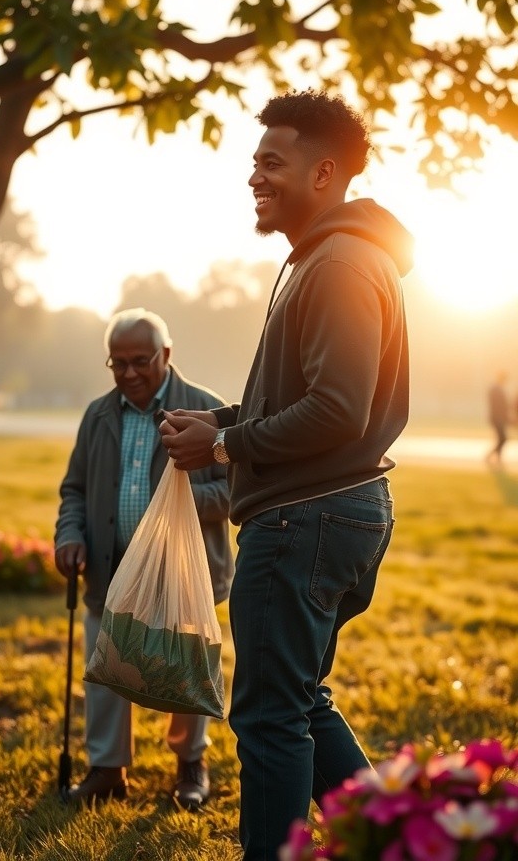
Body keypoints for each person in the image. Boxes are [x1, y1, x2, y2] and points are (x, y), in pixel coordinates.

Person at [159, 90, 414, 861]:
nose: (255, 176)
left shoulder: (339, 263)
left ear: (324, 172)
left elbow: (337, 411)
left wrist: (225, 445)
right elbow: (299, 398)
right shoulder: (326, 258)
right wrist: (218, 422)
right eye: (255, 162)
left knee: (271, 717)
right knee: (300, 700)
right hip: (329, 513)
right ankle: (396, 842)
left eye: (273, 162)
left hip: (306, 519)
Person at [54, 308, 234, 809]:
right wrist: (70, 534)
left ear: (166, 354)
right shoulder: (98, 415)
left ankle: (190, 763)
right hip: (109, 568)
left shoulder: (206, 409)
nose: (129, 373)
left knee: (185, 664)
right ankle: (107, 768)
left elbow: (237, 491)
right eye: (118, 363)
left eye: (141, 361)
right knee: (105, 662)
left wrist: (180, 503)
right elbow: (74, 489)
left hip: (182, 573)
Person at [485, 370, 510, 468]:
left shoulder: (498, 389)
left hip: (499, 417)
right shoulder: (495, 389)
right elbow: (498, 405)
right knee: (502, 438)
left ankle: (496, 456)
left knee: (501, 438)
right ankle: (491, 456)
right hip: (497, 418)